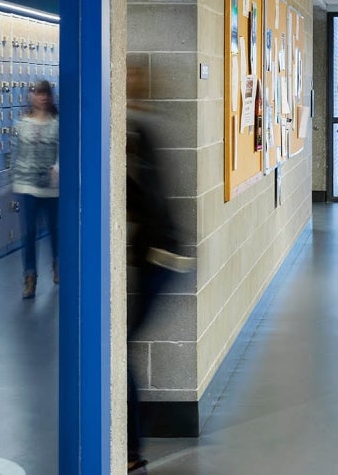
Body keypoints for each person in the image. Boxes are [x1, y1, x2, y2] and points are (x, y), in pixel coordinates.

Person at [125, 65, 195, 474]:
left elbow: (148, 199)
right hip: (158, 254)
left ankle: (131, 448)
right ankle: (132, 442)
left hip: (160, 256)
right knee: (125, 346)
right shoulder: (144, 127)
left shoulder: (139, 130)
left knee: (122, 349)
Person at [10, 80, 59, 299]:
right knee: (29, 235)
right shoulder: (21, 123)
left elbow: (63, 150)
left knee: (56, 233)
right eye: (39, 93)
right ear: (31, 96)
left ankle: (58, 267)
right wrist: (12, 180)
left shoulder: (58, 123)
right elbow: (15, 153)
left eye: (46, 94)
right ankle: (30, 279)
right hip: (27, 186)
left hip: (51, 189)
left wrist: (57, 169)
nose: (43, 97)